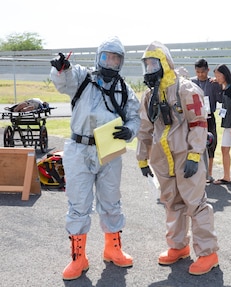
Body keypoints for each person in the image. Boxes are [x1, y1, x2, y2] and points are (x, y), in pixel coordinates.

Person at [49, 36, 141, 281]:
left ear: (121, 62)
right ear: (98, 57)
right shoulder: (82, 77)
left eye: (116, 58)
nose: (110, 62)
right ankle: (78, 258)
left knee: (111, 200)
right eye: (106, 57)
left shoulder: (124, 89)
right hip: (79, 149)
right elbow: (63, 80)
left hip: (109, 151)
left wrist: (130, 130)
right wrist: (61, 68)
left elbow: (135, 116)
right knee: (78, 204)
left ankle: (113, 248)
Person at [136, 41, 219, 276]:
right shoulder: (149, 95)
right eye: (147, 64)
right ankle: (178, 247)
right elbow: (144, 128)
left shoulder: (187, 89)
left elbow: (199, 124)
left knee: (196, 204)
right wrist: (142, 158)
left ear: (164, 63)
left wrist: (195, 155)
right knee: (172, 203)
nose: (150, 68)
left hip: (185, 156)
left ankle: (208, 253)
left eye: (154, 63)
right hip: (162, 159)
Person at [190, 59, 222, 183]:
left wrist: (219, 84)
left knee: (211, 144)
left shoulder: (213, 83)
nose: (200, 74)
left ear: (208, 70)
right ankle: (197, 173)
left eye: (202, 72)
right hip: (195, 118)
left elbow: (220, 99)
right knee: (195, 144)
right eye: (197, 72)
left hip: (209, 117)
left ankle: (209, 173)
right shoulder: (191, 83)